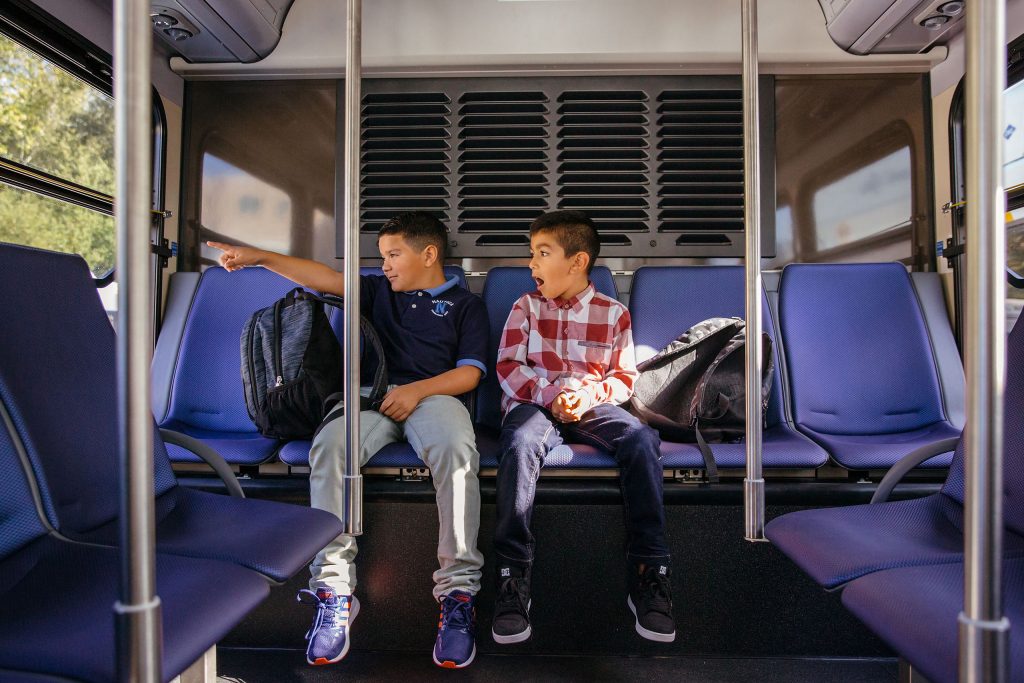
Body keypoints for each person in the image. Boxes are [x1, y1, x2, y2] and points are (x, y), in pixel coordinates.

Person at [209, 212, 486, 669]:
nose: (387, 266)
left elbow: (470, 372)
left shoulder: (464, 305)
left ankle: (458, 593)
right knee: (329, 446)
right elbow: (324, 278)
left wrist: (417, 390)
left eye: (394, 255)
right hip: (370, 394)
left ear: (429, 254)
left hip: (432, 394)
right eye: (383, 258)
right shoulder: (378, 291)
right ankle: (335, 589)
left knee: (457, 453)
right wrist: (258, 258)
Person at [490, 210, 676, 646]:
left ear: (577, 262)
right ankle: (512, 575)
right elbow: (508, 366)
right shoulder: (526, 307)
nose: (531, 264)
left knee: (641, 440)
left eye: (542, 253)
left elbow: (623, 378)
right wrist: (551, 395)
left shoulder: (614, 314)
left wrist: (585, 397)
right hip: (535, 402)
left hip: (591, 405)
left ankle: (650, 570)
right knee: (518, 443)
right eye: (532, 254)